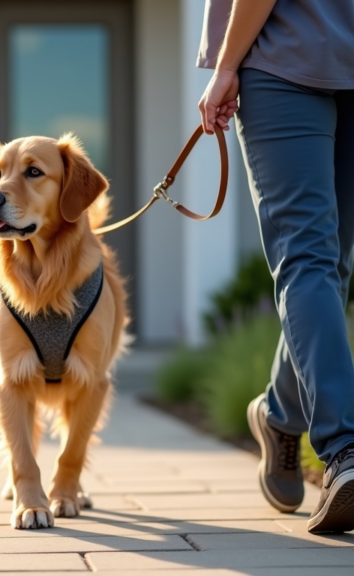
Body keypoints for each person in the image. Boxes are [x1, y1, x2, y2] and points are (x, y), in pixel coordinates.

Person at [197, 0, 354, 533]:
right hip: (283, 58)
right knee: (314, 260)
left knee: (328, 266)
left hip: (289, 49)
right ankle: (344, 451)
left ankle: (279, 415)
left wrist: (224, 67)